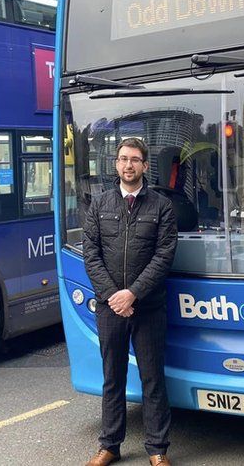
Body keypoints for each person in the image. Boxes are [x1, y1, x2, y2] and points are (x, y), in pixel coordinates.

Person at [82, 138, 177, 466]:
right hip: (110, 309)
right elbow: (91, 253)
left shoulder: (162, 206)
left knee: (153, 379)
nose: (128, 165)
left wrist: (133, 293)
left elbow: (164, 256)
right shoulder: (100, 204)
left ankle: (157, 449)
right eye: (123, 159)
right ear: (116, 164)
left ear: (145, 166)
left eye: (135, 160)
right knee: (113, 377)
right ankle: (109, 445)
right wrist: (113, 296)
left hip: (148, 308)